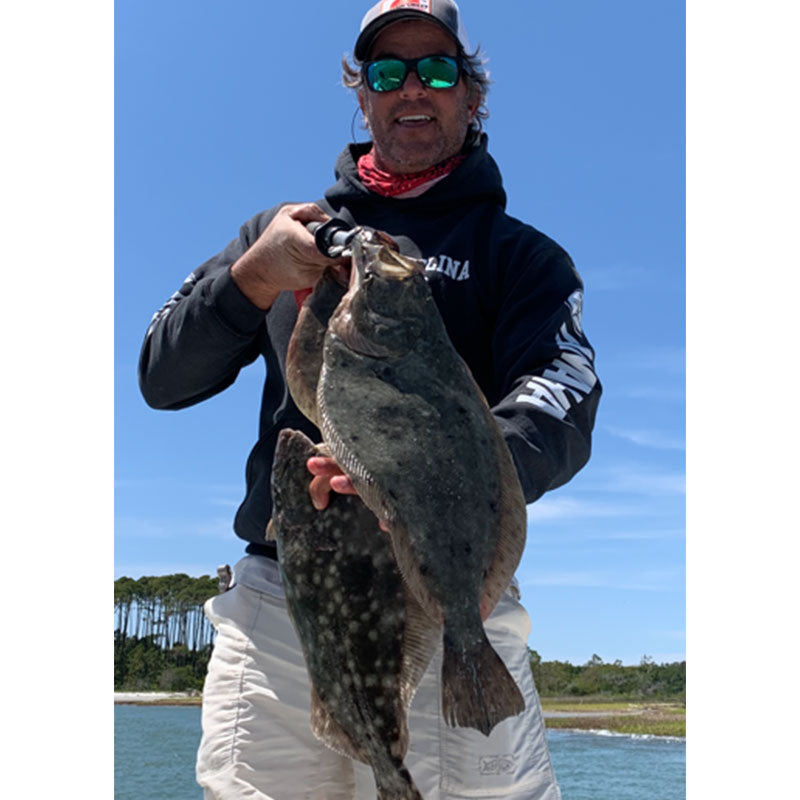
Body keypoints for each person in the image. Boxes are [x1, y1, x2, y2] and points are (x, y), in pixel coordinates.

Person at [138, 1, 601, 798]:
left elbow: (562, 399)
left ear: (472, 93)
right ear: (363, 96)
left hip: (455, 600)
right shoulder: (278, 234)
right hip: (286, 600)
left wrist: (428, 477)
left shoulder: (522, 258)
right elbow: (162, 377)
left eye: (438, 68)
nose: (411, 86)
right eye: (387, 71)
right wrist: (252, 278)